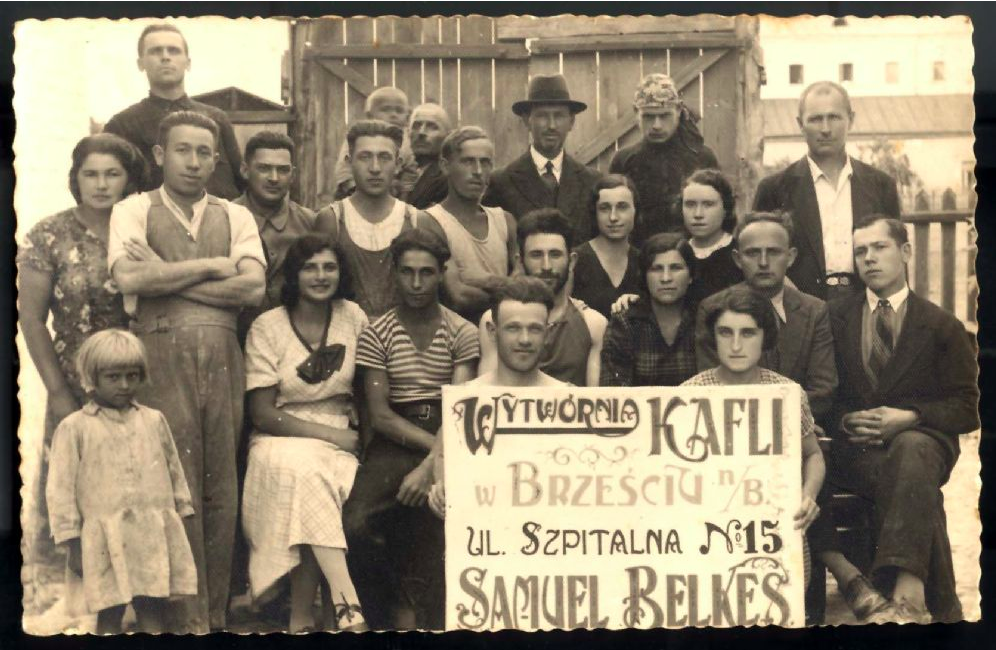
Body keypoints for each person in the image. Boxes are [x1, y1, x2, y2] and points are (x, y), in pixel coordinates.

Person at [108, 110, 267, 632]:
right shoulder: (133, 209)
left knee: (220, 484)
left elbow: (252, 289)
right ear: (160, 155)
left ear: (217, 160)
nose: (193, 162)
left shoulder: (235, 216)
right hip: (158, 352)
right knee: (171, 485)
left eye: (204, 152)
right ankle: (180, 617)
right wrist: (212, 267)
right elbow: (129, 278)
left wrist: (163, 271)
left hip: (223, 355)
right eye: (182, 150)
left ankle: (212, 616)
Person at [827, 216, 979, 624]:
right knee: (917, 488)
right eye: (861, 251)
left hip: (924, 444)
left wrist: (911, 417)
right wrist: (845, 421)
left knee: (912, 449)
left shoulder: (941, 325)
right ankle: (935, 607)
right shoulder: (835, 319)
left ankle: (906, 590)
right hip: (859, 454)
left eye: (880, 247)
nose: (869, 258)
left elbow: (968, 406)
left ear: (906, 252)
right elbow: (823, 394)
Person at [18, 133, 148, 568]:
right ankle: (78, 587)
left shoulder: (144, 228)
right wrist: (58, 392)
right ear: (75, 179)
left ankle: (135, 585)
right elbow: (31, 319)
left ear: (129, 179)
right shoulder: (49, 235)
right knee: (76, 485)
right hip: (75, 379)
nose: (101, 184)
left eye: (112, 174)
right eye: (90, 174)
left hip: (136, 376)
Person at [344, 228, 479, 630]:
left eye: (426, 272)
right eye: (407, 272)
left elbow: (458, 405)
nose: (416, 283)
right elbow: (381, 415)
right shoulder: (377, 332)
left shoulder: (462, 331)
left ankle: (431, 617)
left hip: (449, 430)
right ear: (395, 273)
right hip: (397, 436)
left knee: (446, 516)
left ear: (441, 273)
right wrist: (431, 453)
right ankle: (381, 616)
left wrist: (431, 464)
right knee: (356, 522)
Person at [241, 234, 369, 633]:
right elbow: (262, 412)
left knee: (314, 485)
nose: (320, 276)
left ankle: (300, 619)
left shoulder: (353, 317)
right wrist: (330, 436)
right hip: (280, 437)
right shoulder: (267, 326)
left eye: (329, 267)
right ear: (294, 275)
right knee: (307, 472)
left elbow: (367, 388)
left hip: (340, 431)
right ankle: (349, 608)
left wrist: (350, 434)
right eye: (309, 268)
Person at [46, 329, 197, 634]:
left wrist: (182, 513)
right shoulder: (75, 428)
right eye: (113, 377)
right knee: (109, 612)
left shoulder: (153, 420)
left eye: (132, 376)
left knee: (152, 607)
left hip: (150, 534)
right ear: (92, 377)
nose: (124, 385)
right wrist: (72, 542)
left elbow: (174, 471)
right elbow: (60, 490)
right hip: (104, 540)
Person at [682, 287, 826, 592]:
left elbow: (813, 454)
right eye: (725, 333)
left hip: (771, 534)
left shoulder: (786, 392)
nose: (736, 345)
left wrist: (808, 495)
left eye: (748, 333)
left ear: (765, 337)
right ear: (713, 337)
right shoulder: (690, 394)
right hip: (705, 534)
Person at [427, 277, 566, 519]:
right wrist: (441, 497)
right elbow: (445, 475)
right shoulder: (465, 402)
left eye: (535, 329)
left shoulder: (568, 399)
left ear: (547, 333)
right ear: (493, 332)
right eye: (513, 328)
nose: (524, 339)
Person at [753, 81, 901, 301]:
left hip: (866, 304)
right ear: (800, 124)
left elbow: (896, 259)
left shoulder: (881, 185)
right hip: (798, 306)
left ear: (851, 119)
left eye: (834, 117)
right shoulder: (774, 189)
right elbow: (759, 257)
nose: (825, 129)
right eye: (815, 119)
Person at [695, 211, 837, 422]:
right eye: (752, 253)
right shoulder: (713, 308)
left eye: (773, 252)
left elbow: (823, 390)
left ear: (790, 257)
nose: (763, 262)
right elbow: (711, 387)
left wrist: (794, 424)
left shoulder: (814, 310)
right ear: (737, 259)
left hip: (798, 426)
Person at [315, 119, 441, 320]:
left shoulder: (418, 221)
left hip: (403, 334)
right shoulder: (331, 220)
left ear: (398, 164)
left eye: (384, 157)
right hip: (345, 332)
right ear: (349, 162)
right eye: (365, 157)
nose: (375, 168)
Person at [104, 23, 244, 199]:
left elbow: (242, 181)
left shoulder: (217, 118)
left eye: (174, 51)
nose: (165, 57)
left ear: (188, 63)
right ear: (141, 64)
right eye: (156, 51)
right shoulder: (122, 125)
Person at [478, 209, 606, 386]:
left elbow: (594, 398)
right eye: (536, 255)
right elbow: (488, 392)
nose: (546, 266)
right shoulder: (495, 318)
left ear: (572, 261)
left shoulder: (593, 324)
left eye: (555, 255)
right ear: (520, 261)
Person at [483, 74, 602, 243]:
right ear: (527, 121)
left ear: (571, 122)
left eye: (559, 116)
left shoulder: (592, 181)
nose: (551, 126)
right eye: (542, 116)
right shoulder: (502, 182)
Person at [609, 73, 719, 242]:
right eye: (648, 117)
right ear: (636, 112)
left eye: (665, 116)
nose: (657, 125)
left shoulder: (702, 157)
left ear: (679, 110)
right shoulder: (624, 160)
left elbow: (718, 214)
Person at [426, 126, 517, 325]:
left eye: (485, 162)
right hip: (455, 334)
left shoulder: (504, 220)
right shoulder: (431, 221)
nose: (478, 171)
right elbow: (458, 296)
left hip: (505, 331)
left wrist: (480, 280)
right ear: (445, 166)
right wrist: (504, 285)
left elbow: (525, 286)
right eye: (468, 162)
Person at [233, 130, 317, 341]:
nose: (274, 178)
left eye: (282, 170)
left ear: (293, 175)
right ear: (245, 170)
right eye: (264, 168)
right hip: (236, 338)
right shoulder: (225, 218)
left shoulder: (311, 223)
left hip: (294, 340)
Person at [600, 233, 699, 387]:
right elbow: (614, 389)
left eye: (676, 268)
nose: (666, 278)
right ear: (644, 276)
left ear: (691, 276)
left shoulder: (702, 318)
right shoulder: (626, 322)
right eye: (656, 269)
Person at [570, 174, 642, 319]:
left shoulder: (644, 261)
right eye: (604, 208)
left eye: (622, 207)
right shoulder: (575, 260)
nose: (613, 217)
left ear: (635, 210)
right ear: (594, 213)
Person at [331, 87, 419, 201]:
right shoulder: (360, 137)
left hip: (391, 195)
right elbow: (344, 168)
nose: (393, 115)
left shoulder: (405, 142)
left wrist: (404, 194)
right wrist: (353, 188)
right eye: (385, 109)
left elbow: (410, 170)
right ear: (370, 115)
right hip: (354, 191)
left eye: (399, 111)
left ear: (407, 117)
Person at [681, 169, 742, 305]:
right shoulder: (677, 252)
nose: (698, 214)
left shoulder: (739, 254)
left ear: (726, 209)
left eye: (708, 204)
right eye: (690, 204)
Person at [405, 103, 453, 209]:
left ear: (448, 137)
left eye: (432, 127)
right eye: (416, 126)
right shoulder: (399, 171)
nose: (421, 132)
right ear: (408, 132)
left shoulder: (449, 179)